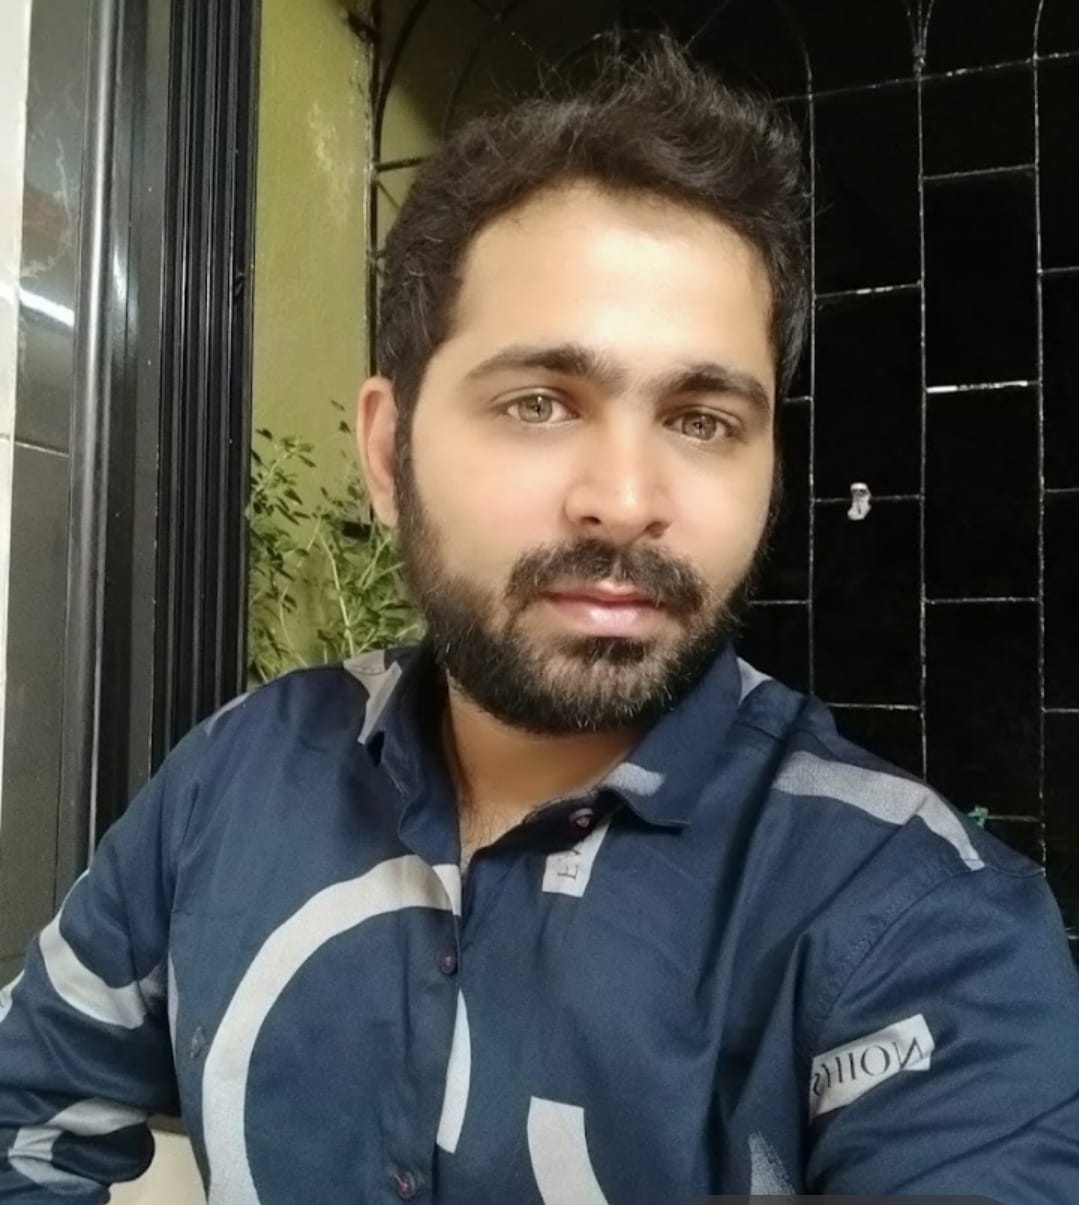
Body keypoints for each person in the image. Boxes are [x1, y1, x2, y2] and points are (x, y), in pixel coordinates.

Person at [1, 37, 1077, 1204]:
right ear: (387, 452)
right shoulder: (236, 777)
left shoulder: (912, 922)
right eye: (537, 403)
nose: (624, 497)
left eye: (702, 419)